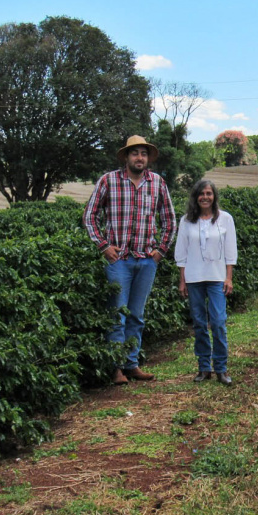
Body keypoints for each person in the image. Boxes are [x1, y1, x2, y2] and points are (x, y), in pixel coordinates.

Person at [83, 135, 177, 385]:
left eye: (143, 153)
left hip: (146, 260)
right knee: (117, 314)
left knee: (137, 315)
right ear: (126, 157)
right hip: (119, 261)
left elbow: (169, 220)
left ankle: (131, 364)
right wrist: (103, 246)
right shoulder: (108, 181)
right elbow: (90, 216)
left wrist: (160, 251)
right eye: (135, 153)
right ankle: (116, 368)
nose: (139, 158)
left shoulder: (157, 183)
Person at [174, 179, 237, 386]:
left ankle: (221, 368)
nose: (205, 197)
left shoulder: (225, 219)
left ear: (214, 196)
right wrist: (182, 280)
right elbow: (181, 252)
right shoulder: (186, 221)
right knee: (199, 323)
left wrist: (229, 277)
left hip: (217, 278)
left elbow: (230, 251)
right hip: (194, 278)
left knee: (218, 322)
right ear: (195, 197)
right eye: (201, 194)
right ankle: (203, 367)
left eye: (209, 193)